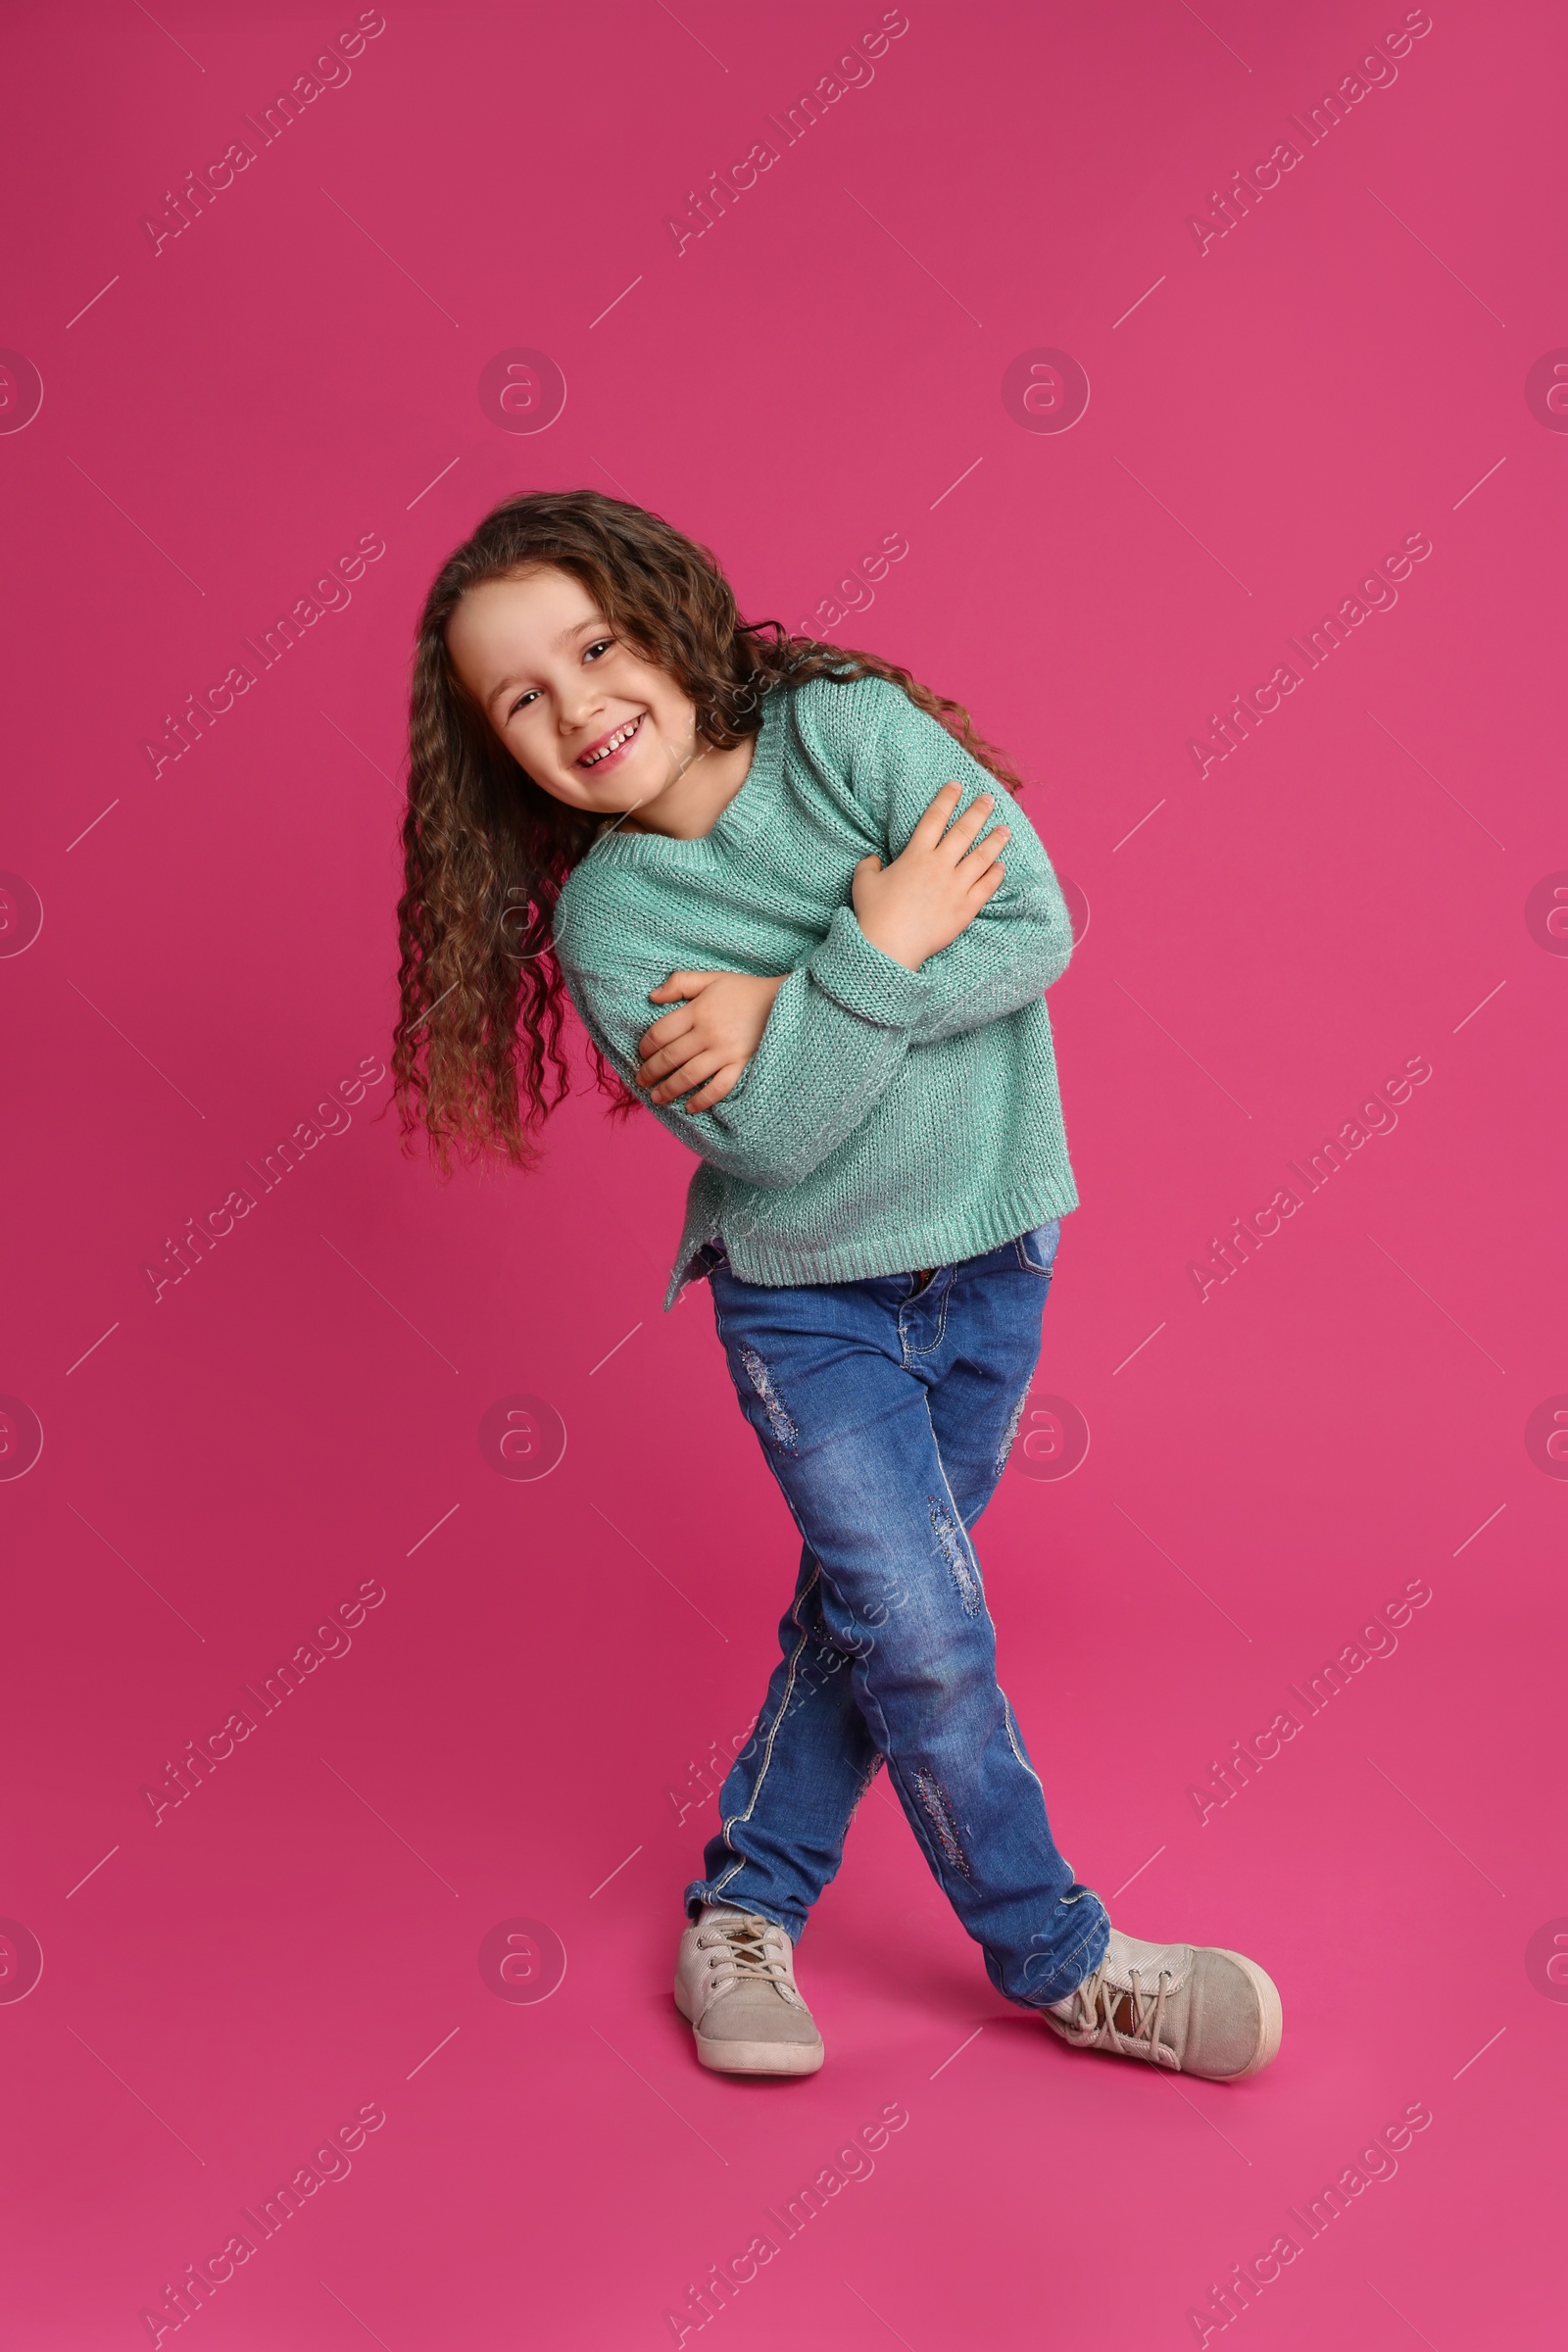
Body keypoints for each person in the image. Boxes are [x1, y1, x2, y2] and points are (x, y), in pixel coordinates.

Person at [395, 487, 1283, 2087]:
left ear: (667, 620)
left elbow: (1033, 924)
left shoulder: (847, 734)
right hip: (807, 1301)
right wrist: (874, 941)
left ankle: (744, 1902)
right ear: (491, 746)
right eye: (520, 697)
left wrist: (783, 999)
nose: (579, 705)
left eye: (594, 647)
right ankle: (1067, 1962)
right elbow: (776, 1136)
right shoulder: (614, 921)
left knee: (873, 1613)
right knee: (922, 1631)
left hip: (996, 1251)